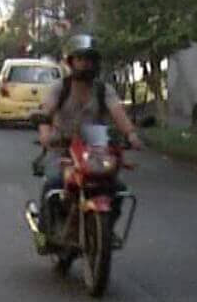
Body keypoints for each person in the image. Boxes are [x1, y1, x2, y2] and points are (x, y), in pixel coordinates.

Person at [33, 34, 144, 241]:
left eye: (90, 60)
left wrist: (131, 134)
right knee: (53, 185)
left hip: (95, 153)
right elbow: (45, 113)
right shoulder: (60, 88)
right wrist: (45, 134)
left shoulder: (104, 90)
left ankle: (106, 228)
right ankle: (45, 232)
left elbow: (118, 113)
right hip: (63, 151)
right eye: (81, 59)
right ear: (71, 62)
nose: (86, 64)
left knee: (118, 189)